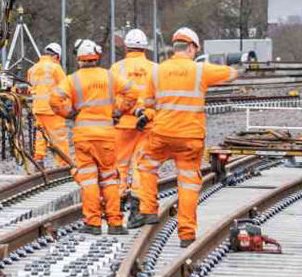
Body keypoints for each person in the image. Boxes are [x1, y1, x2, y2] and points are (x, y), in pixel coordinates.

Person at [127, 27, 238, 247]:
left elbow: (146, 103)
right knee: (188, 184)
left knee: (147, 166)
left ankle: (148, 209)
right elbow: (230, 74)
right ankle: (186, 234)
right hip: (190, 139)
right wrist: (240, 67)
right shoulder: (200, 71)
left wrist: (143, 114)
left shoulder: (158, 71)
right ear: (190, 47)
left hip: (162, 135)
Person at [52, 40, 129, 235]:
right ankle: (115, 223)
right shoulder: (110, 77)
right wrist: (118, 110)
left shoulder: (73, 79)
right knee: (109, 178)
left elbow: (54, 100)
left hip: (83, 137)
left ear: (79, 59)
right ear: (97, 57)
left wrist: (68, 113)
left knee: (88, 180)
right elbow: (132, 92)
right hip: (106, 137)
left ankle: (93, 223)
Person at [111, 29, 159, 211]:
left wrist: (120, 111)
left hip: (123, 124)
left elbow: (111, 97)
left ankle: (118, 197)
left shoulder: (117, 68)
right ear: (145, 47)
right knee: (141, 163)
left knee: (120, 163)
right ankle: (138, 199)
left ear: (126, 46)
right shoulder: (155, 69)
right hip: (147, 124)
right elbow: (161, 99)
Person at [27, 42, 70, 165]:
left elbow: (31, 87)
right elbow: (65, 87)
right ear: (57, 56)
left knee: (41, 135)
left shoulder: (33, 69)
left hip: (37, 108)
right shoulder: (55, 68)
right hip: (53, 109)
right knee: (59, 137)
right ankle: (63, 164)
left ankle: (39, 159)